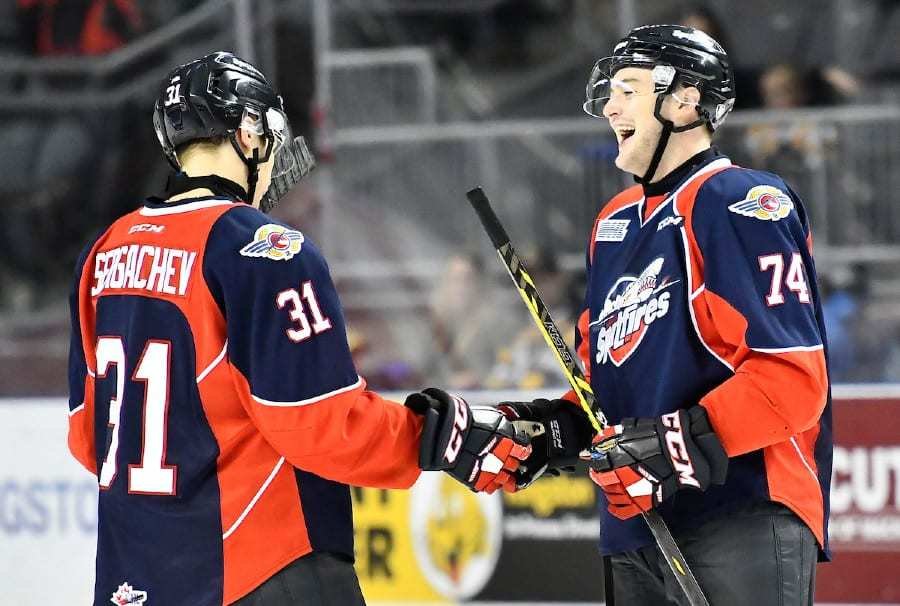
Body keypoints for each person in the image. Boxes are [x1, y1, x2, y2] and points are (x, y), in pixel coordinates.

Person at [66, 51, 531, 605]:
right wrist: (437, 439)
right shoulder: (263, 247)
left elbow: (87, 436)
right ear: (246, 132)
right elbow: (321, 423)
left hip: (135, 575)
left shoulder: (104, 252)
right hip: (260, 568)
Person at [473, 25, 832, 605]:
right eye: (611, 92)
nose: (610, 106)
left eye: (629, 89)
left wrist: (673, 443)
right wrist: (541, 432)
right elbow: (604, 390)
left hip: (737, 513)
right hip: (631, 527)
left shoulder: (738, 201)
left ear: (686, 99)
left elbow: (792, 381)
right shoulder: (612, 223)